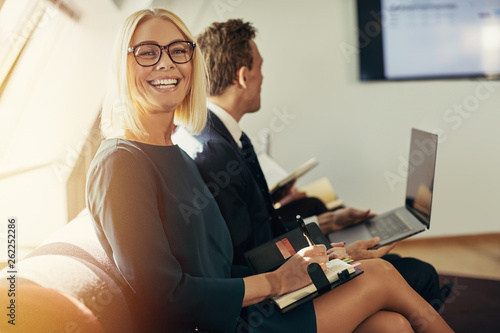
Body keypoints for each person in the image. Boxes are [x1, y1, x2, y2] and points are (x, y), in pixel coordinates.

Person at [86, 8, 453, 332]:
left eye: (178, 50)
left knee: (391, 326)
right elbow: (164, 296)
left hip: (237, 309)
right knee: (382, 275)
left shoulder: (175, 153)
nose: (166, 64)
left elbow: (217, 269)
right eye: (148, 53)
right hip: (214, 324)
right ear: (124, 64)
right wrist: (276, 282)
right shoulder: (122, 162)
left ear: (192, 62)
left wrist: (314, 265)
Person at [174, 18, 449, 311]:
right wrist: (338, 255)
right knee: (421, 273)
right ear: (243, 76)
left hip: (280, 268)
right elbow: (249, 258)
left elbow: (257, 229)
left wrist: (328, 227)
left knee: (398, 266)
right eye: (260, 68)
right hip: (275, 289)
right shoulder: (218, 152)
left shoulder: (211, 133)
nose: (263, 78)